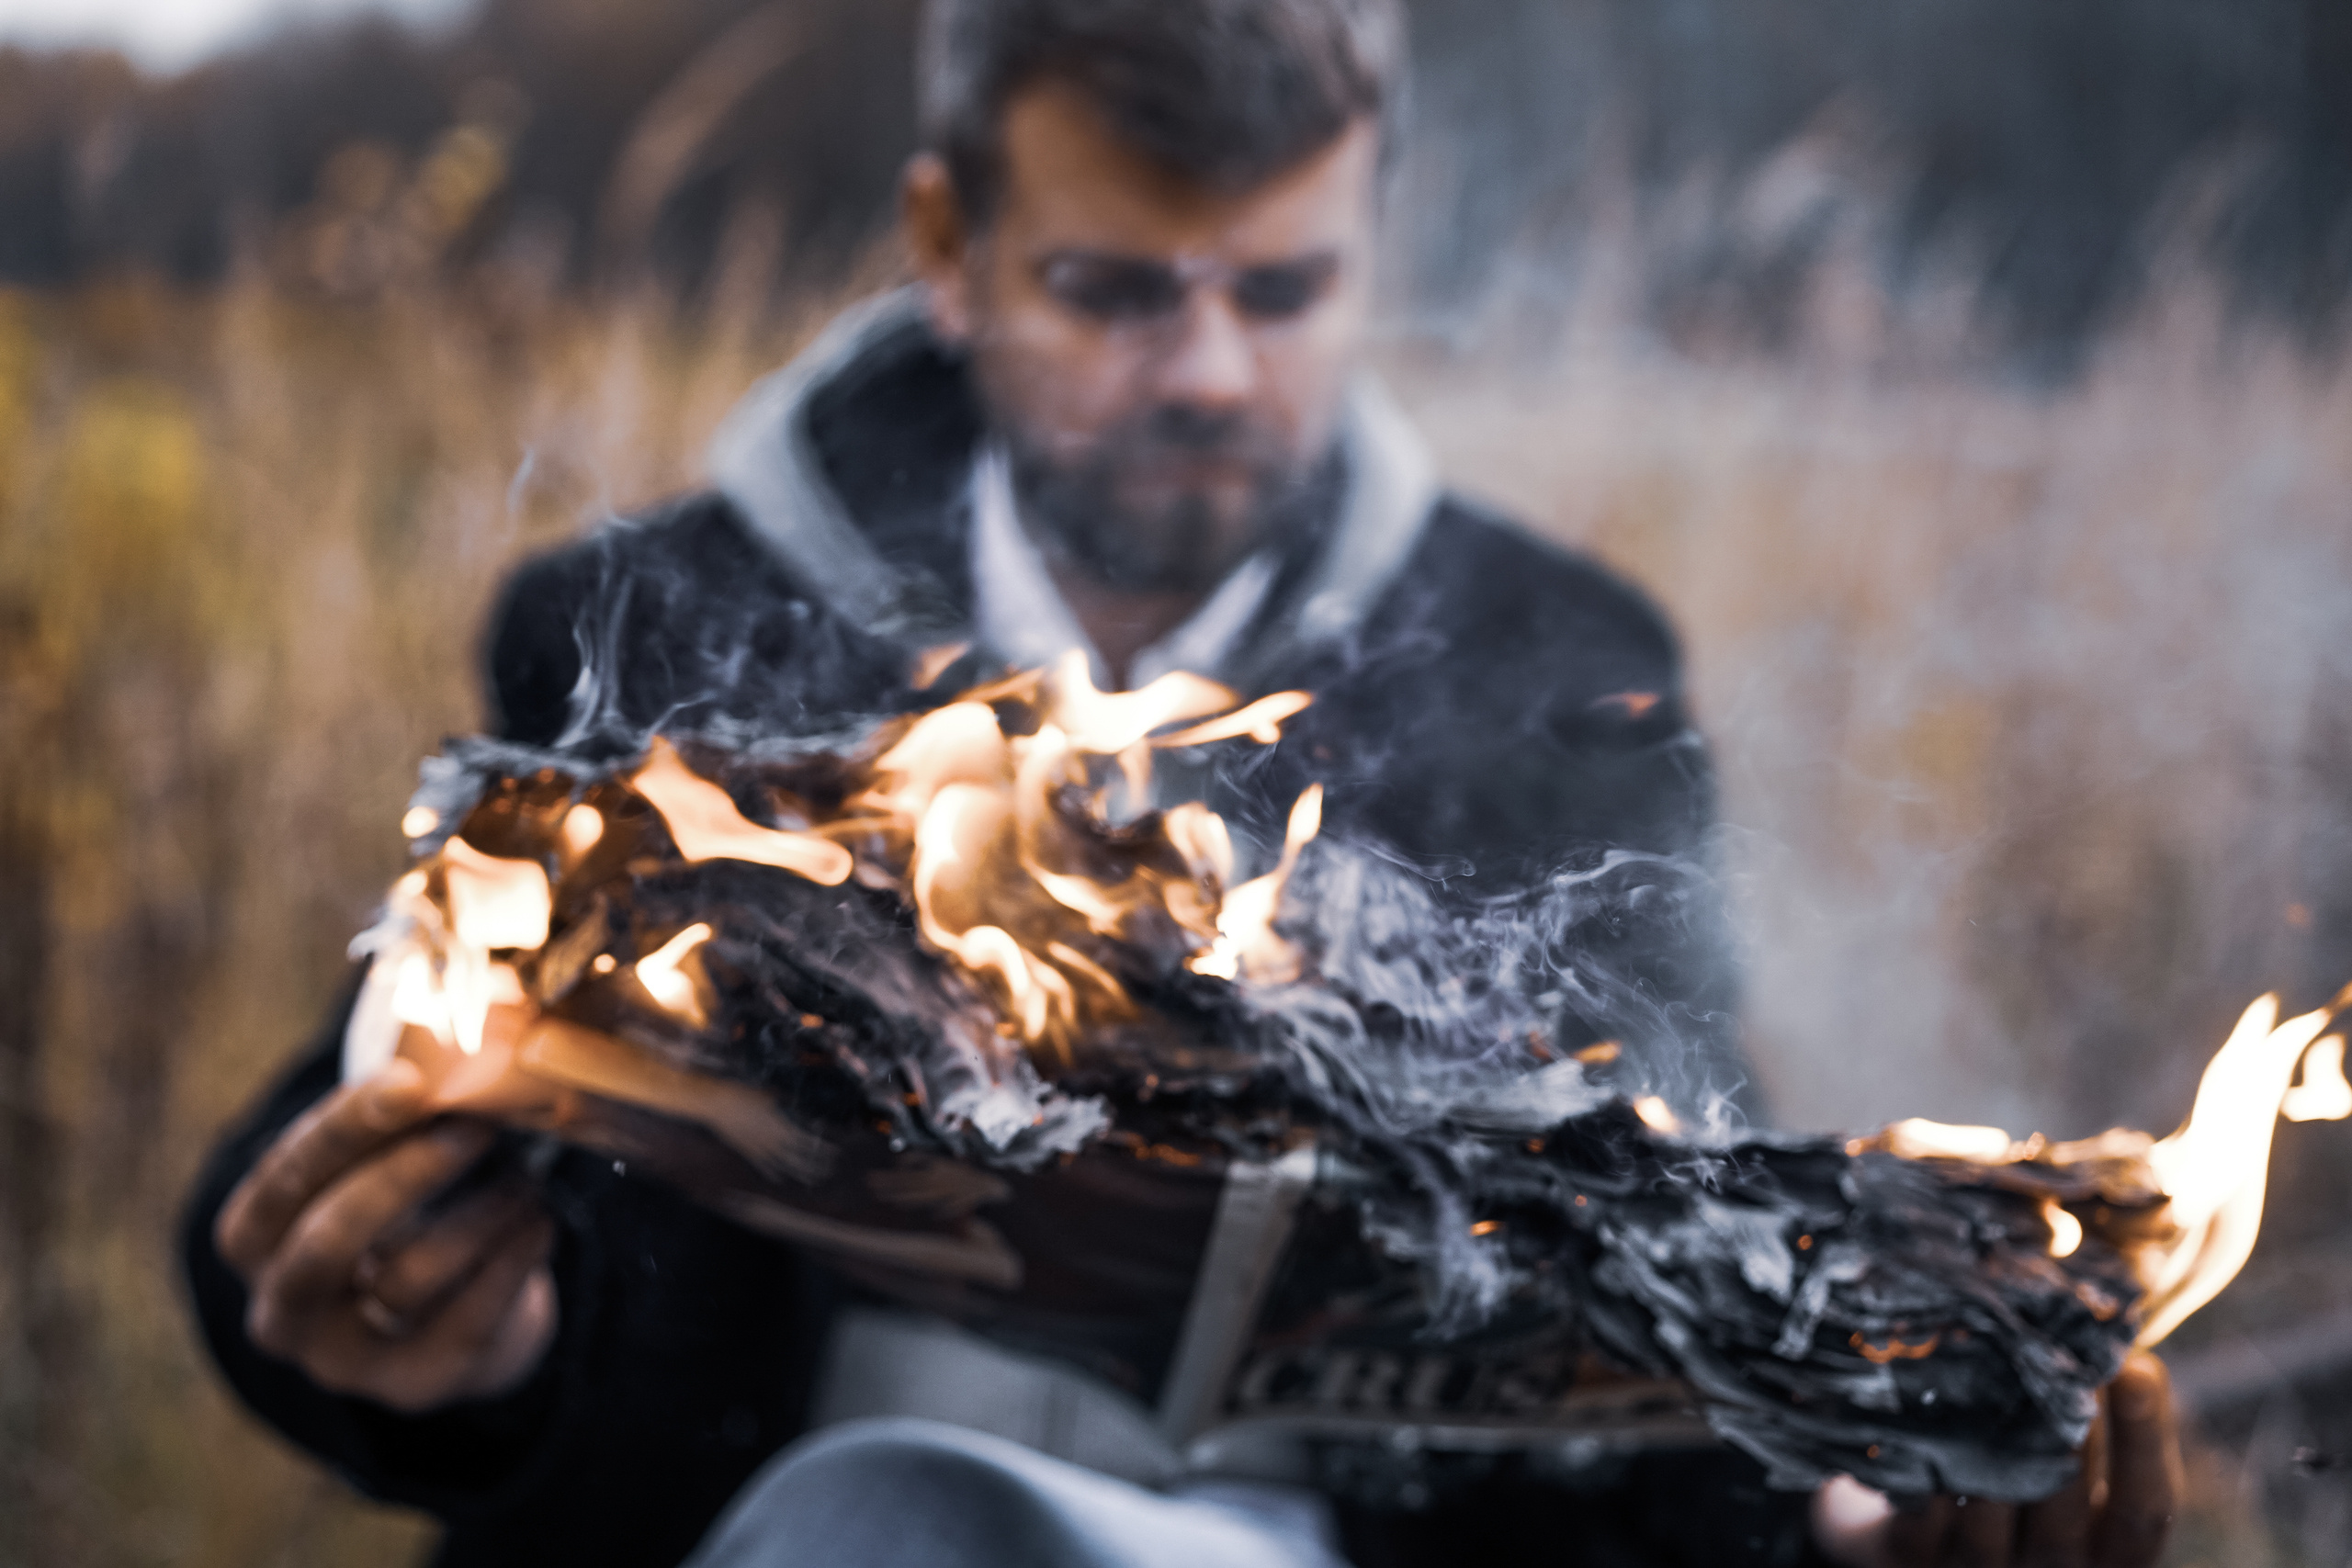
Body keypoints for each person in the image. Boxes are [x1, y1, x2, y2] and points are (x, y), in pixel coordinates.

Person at [182, 1, 2184, 1563]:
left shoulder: (1559, 670)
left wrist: (1848, 1503)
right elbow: (386, 1161)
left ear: (1362, 239)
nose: (1213, 369)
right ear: (949, 246)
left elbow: (1662, 1283)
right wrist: (465, 1358)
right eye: (1119, 291)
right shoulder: (656, 621)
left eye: (1282, 288)